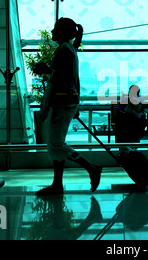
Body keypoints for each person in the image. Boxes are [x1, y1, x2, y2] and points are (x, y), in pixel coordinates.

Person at [36, 17, 102, 196]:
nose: (52, 32)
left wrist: (45, 70)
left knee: (56, 144)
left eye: (56, 28)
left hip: (61, 103)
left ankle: (90, 167)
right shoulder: (71, 49)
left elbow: (56, 79)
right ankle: (57, 183)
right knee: (56, 145)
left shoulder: (64, 50)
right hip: (69, 102)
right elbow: (70, 78)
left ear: (63, 32)